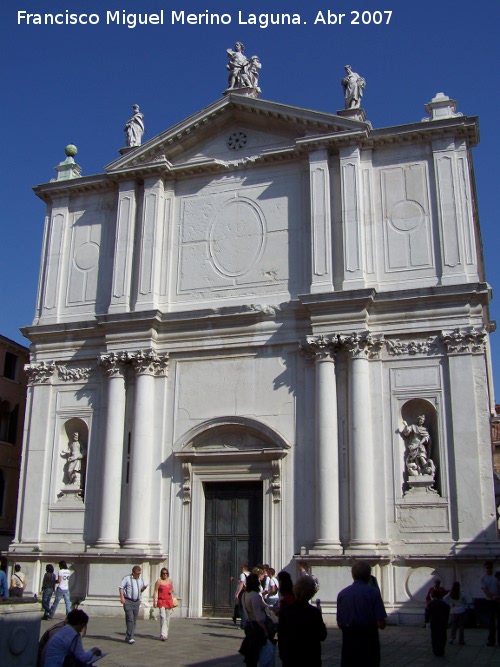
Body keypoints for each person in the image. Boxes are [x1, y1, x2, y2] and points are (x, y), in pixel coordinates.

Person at [337, 560, 387, 667]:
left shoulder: (342, 594)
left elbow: (340, 623)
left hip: (349, 641)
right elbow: (381, 623)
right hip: (368, 639)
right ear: (368, 576)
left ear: (353, 575)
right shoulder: (373, 593)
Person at [278, 576, 327, 667]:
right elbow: (322, 635)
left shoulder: (286, 611)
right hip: (310, 657)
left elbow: (281, 635)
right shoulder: (314, 612)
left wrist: (283, 654)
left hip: (291, 656)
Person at [238, 573, 269, 667]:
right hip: (257, 626)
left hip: (249, 624)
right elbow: (258, 616)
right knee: (255, 653)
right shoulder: (255, 596)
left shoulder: (244, 595)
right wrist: (265, 630)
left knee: (252, 652)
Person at [119, 565, 148, 644]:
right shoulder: (127, 579)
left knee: (134, 620)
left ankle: (128, 636)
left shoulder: (140, 580)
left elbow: (140, 590)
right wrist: (122, 598)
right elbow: (121, 587)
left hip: (136, 602)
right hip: (128, 601)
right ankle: (131, 637)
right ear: (133, 573)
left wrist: (143, 588)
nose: (138, 575)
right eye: (137, 573)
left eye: (139, 573)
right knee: (130, 618)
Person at [480, 560, 500, 646]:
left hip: (498, 600)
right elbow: (485, 590)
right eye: (487, 568)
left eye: (490, 568)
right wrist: (493, 597)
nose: (488, 569)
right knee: (491, 622)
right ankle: (491, 640)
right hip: (490, 601)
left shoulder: (496, 576)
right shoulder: (483, 578)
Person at [425, 589, 450, 656]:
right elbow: (448, 611)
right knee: (442, 636)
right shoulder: (444, 604)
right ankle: (441, 650)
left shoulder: (430, 603)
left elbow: (427, 613)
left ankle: (435, 650)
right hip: (442, 622)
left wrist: (427, 622)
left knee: (434, 636)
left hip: (434, 621)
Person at [153, 567, 175, 641]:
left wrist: (171, 591)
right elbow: (155, 591)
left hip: (168, 601)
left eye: (166, 573)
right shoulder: (159, 582)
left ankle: (165, 633)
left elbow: (172, 589)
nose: (165, 574)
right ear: (161, 574)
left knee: (168, 618)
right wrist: (154, 601)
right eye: (163, 573)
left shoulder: (170, 581)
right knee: (163, 617)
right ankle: (163, 634)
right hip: (161, 601)